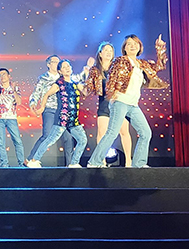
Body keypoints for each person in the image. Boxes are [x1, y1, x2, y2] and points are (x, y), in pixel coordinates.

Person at [85, 34, 168, 168]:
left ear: (140, 47)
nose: (132, 46)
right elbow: (112, 77)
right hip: (120, 101)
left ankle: (139, 164)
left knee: (146, 133)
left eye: (135, 44)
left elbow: (159, 66)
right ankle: (94, 162)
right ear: (124, 48)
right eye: (129, 44)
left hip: (133, 104)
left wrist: (160, 48)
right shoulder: (120, 61)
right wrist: (112, 94)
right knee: (112, 132)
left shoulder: (142, 64)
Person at [28, 55, 91, 164]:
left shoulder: (73, 81)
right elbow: (40, 93)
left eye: (68, 66)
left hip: (71, 117)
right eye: (55, 62)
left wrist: (88, 71)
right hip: (55, 112)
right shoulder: (49, 80)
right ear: (49, 64)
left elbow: (84, 86)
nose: (66, 67)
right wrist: (37, 105)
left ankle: (72, 164)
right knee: (48, 137)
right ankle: (33, 159)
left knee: (73, 139)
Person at [84, 42, 133, 167]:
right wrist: (86, 73)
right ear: (100, 53)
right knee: (102, 133)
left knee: (124, 132)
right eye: (106, 50)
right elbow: (88, 90)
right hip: (104, 104)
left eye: (111, 50)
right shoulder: (95, 70)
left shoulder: (118, 67)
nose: (108, 52)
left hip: (120, 103)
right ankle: (101, 161)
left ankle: (128, 161)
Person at [0, 68, 25, 167]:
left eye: (4, 74)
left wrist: (13, 90)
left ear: (9, 76)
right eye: (0, 75)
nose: (2, 76)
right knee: (1, 142)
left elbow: (19, 102)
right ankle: (4, 164)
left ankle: (21, 163)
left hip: (11, 118)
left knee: (17, 141)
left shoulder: (15, 88)